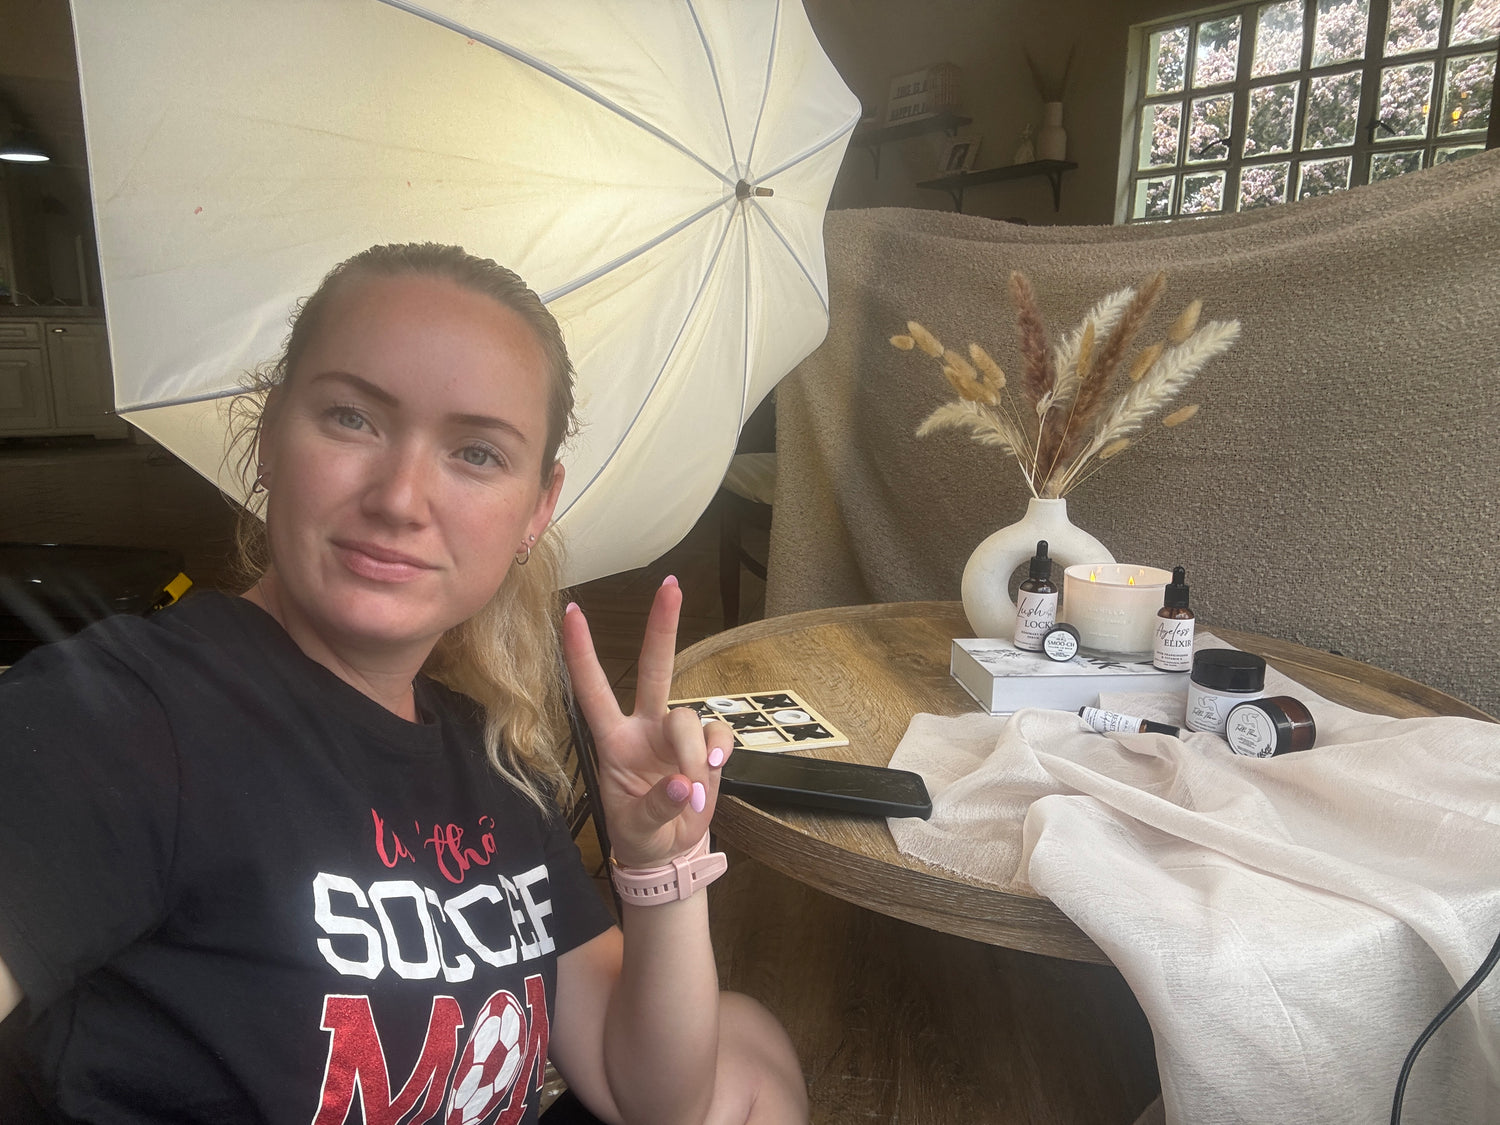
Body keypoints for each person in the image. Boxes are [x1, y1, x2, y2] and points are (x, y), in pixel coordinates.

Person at [0, 243, 807, 1124]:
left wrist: (660, 867)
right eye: (352, 418)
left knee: (749, 1045)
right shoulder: (120, 716)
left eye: (476, 452)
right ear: (268, 438)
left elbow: (650, 1096)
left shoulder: (492, 760)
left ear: (538, 506)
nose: (400, 497)